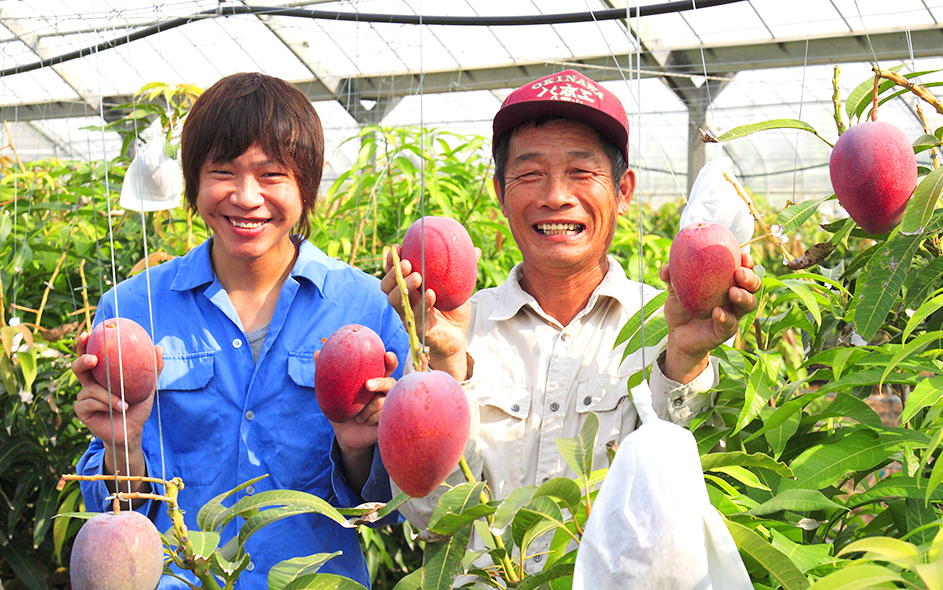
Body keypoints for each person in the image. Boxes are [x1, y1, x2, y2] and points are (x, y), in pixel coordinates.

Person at [379, 69, 761, 567]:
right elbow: (429, 519)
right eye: (530, 173)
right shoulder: (458, 329)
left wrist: (684, 363)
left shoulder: (671, 327)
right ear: (499, 191)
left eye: (582, 172)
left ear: (623, 190)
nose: (555, 195)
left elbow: (697, 505)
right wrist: (447, 367)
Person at [73, 72, 408, 589]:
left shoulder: (364, 308)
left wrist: (358, 449)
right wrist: (123, 448)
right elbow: (111, 512)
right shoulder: (132, 310)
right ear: (194, 183)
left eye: (272, 174)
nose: (246, 197)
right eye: (222, 172)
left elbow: (390, 510)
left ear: (306, 186)